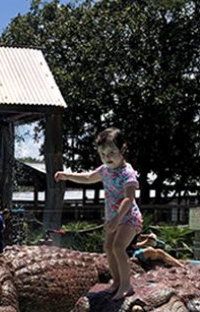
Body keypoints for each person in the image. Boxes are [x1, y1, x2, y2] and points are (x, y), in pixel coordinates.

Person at [55, 128, 143, 299]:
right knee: (108, 248)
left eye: (111, 152)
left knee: (118, 247)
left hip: (128, 217)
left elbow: (129, 198)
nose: (107, 157)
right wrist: (67, 175)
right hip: (113, 218)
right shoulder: (105, 170)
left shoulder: (128, 173)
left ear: (123, 150)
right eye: (103, 154)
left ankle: (126, 285)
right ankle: (116, 281)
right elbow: (88, 178)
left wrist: (117, 219)